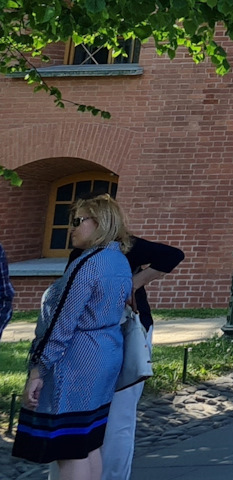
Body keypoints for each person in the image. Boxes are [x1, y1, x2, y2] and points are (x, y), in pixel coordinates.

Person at [14, 193, 134, 476]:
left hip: (77, 361)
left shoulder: (88, 264)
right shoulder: (117, 259)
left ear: (100, 223)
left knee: (68, 447)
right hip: (105, 352)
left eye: (78, 221)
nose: (72, 228)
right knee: (88, 442)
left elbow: (62, 323)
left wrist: (38, 371)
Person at [101, 234, 185, 480]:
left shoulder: (121, 244)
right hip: (93, 339)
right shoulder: (81, 252)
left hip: (128, 331)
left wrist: (132, 283)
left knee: (119, 415)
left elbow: (172, 255)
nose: (72, 227)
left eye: (80, 220)